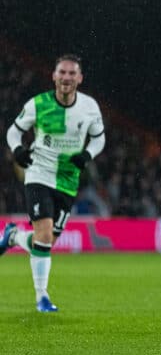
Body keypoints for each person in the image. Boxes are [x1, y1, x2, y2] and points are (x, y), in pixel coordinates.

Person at [0, 54, 105, 311]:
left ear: (79, 78)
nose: (66, 78)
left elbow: (99, 138)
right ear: (54, 76)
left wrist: (87, 154)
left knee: (45, 241)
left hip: (68, 181)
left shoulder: (89, 107)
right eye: (62, 72)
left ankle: (13, 237)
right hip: (39, 173)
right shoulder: (39, 104)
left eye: (72, 73)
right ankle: (42, 298)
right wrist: (18, 150)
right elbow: (14, 131)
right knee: (45, 235)